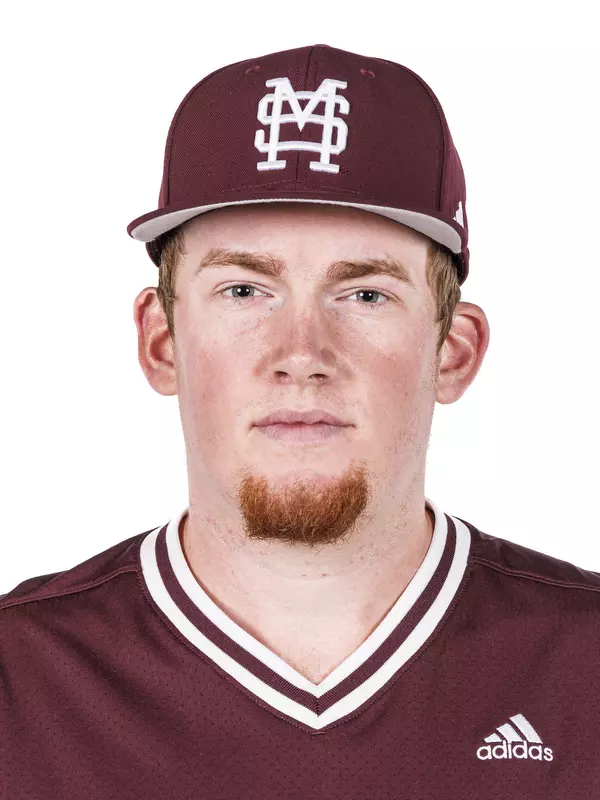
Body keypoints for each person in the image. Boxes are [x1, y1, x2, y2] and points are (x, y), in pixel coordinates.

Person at [1, 43, 599, 799]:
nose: (302, 354)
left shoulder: (588, 668)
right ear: (161, 342)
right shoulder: (18, 683)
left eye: (366, 295)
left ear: (453, 351)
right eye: (244, 291)